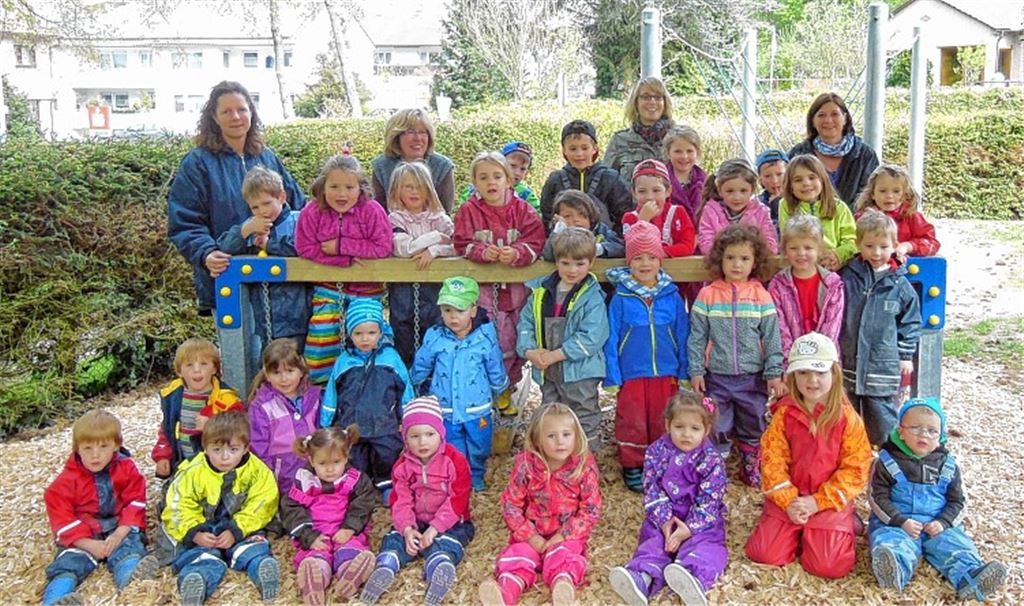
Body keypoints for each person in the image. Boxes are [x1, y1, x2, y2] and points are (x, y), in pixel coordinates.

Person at [167, 80, 305, 315]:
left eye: (242, 109)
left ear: (251, 112)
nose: (236, 117)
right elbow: (184, 221)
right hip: (227, 279)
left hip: (280, 284)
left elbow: (299, 207)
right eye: (226, 111)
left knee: (281, 352)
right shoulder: (198, 163)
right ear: (214, 117)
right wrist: (206, 253)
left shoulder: (267, 158)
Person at [745, 332, 872, 579]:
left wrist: (816, 503)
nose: (812, 380)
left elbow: (855, 469)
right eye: (803, 372)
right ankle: (801, 528)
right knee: (765, 554)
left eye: (820, 372)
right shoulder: (783, 414)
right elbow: (772, 461)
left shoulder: (848, 419)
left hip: (826, 499)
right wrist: (789, 501)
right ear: (792, 375)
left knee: (828, 566)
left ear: (834, 373)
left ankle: (844, 522)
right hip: (789, 497)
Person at [868, 398, 1007, 601]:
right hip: (898, 522)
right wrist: (900, 521)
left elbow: (958, 502)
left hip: (937, 522)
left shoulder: (948, 465)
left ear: (940, 436)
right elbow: (876, 497)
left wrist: (943, 523)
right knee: (893, 542)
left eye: (932, 431)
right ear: (900, 431)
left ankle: (970, 577)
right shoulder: (886, 461)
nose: (924, 434)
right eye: (915, 428)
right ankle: (894, 570)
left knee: (955, 545)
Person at [608, 392, 728, 606]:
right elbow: (652, 488)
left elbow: (710, 499)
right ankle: (642, 578)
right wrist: (664, 522)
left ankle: (693, 577)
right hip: (665, 515)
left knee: (707, 544)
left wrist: (689, 529)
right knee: (653, 541)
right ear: (667, 425)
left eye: (695, 429)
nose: (686, 434)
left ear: (706, 430)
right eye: (679, 427)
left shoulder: (711, 459)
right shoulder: (657, 451)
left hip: (699, 519)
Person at [687, 225, 784, 488]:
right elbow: (696, 337)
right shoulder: (707, 295)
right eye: (730, 258)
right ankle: (716, 468)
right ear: (720, 259)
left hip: (752, 377)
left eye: (744, 258)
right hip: (716, 376)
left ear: (755, 262)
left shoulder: (761, 296)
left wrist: (774, 372)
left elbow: (772, 338)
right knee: (717, 423)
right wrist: (696, 370)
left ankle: (751, 464)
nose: (737, 265)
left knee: (753, 421)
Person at [478, 404, 601, 606]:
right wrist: (530, 536)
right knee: (518, 556)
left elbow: (591, 509)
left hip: (566, 534)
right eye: (552, 436)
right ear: (537, 439)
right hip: (531, 531)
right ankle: (506, 591)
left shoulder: (583, 466)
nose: (560, 441)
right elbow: (511, 505)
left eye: (566, 434)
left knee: (566, 557)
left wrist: (563, 535)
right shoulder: (526, 465)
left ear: (576, 436)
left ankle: (562, 585)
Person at [453, 151, 545, 416]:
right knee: (493, 340)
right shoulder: (469, 210)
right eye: (483, 177)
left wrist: (517, 253)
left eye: (497, 176)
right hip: (485, 293)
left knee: (516, 339)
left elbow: (536, 240)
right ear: (474, 182)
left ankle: (510, 385)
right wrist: (482, 252)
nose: (491, 183)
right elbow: (460, 242)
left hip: (516, 293)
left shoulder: (522, 209)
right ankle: (491, 388)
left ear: (508, 180)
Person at [156, 412, 281, 605]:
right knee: (201, 557)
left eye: (233, 449)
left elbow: (264, 502)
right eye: (216, 449)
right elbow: (177, 505)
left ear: (246, 448)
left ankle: (262, 568)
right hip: (203, 530)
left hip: (240, 528)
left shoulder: (258, 471)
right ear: (205, 448)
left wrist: (237, 529)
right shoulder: (192, 470)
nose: (225, 457)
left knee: (254, 548)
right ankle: (197, 580)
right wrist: (194, 532)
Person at [361, 396, 475, 606]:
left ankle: (439, 565)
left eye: (429, 434)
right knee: (395, 538)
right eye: (414, 436)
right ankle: (387, 564)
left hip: (449, 521)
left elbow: (457, 499)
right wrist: (407, 529)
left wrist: (434, 529)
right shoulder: (402, 465)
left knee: (447, 541)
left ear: (441, 434)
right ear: (405, 438)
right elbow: (400, 500)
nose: (422, 442)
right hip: (416, 519)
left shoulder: (455, 460)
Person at [604, 221, 690, 492]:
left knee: (662, 416)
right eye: (638, 258)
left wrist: (685, 370)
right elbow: (612, 336)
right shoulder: (621, 297)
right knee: (632, 418)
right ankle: (633, 462)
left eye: (651, 257)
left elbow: (683, 333)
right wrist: (613, 374)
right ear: (629, 261)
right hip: (633, 370)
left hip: (666, 369)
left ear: (660, 260)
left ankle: (663, 460)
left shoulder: (671, 295)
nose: (644, 264)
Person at [295, 153, 393, 384]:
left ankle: (372, 384)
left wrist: (342, 246)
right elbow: (304, 247)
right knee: (323, 333)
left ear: (360, 187)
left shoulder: (372, 210)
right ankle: (321, 386)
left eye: (349, 187)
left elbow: (383, 246)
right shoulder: (312, 211)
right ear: (322, 186)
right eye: (334, 186)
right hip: (328, 290)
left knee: (367, 335)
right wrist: (343, 260)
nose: (341, 194)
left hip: (366, 291)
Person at [42, 410, 158, 606]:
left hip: (117, 527)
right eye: (88, 448)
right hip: (83, 534)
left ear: (116, 445)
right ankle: (56, 599)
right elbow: (61, 514)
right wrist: (88, 544)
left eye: (103, 447)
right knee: (69, 564)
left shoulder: (126, 468)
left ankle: (132, 581)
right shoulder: (68, 479)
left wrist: (119, 534)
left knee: (129, 550)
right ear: (77, 448)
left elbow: (135, 501)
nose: (95, 455)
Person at [412, 276, 508, 490]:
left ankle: (475, 473)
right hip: (445, 405)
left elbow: (494, 364)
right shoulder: (435, 336)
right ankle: (457, 474)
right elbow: (423, 361)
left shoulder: (485, 337)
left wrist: (500, 387)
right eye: (447, 310)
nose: (453, 317)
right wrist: (415, 380)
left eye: (460, 310)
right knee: (451, 444)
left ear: (473, 310)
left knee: (479, 443)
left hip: (478, 404)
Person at [518, 228, 610, 450]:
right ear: (556, 261)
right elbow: (526, 324)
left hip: (580, 369)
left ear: (591, 262)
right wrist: (530, 351)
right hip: (548, 368)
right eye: (565, 263)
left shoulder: (592, 296)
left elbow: (592, 336)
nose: (572, 270)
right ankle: (551, 458)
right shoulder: (541, 291)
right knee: (550, 411)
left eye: (579, 264)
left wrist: (555, 355)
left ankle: (585, 460)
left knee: (583, 411)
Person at [839, 211, 921, 445]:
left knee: (881, 413)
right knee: (848, 411)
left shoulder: (899, 284)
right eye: (869, 246)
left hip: (882, 363)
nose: (876, 253)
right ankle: (853, 454)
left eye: (883, 247)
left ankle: (887, 453)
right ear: (858, 245)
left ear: (894, 246)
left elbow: (910, 321)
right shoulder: (848, 276)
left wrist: (905, 355)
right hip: (851, 360)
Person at [319, 298, 414, 497]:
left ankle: (387, 486)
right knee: (355, 459)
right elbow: (332, 394)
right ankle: (360, 489)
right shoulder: (344, 361)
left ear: (380, 332)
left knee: (387, 456)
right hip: (352, 425)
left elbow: (405, 390)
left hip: (385, 423)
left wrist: (408, 420)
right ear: (349, 334)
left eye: (371, 333)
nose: (365, 339)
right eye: (358, 333)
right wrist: (326, 423)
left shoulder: (391, 358)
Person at [215, 165, 310, 359]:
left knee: (298, 362)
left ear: (282, 197)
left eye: (267, 203)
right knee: (270, 361)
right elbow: (224, 247)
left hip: (299, 311)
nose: (262, 211)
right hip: (265, 314)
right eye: (255, 207)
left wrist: (270, 244)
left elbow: (304, 247)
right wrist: (244, 231)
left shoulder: (299, 220)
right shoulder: (251, 226)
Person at [281, 426, 376, 605]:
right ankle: (315, 580)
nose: (330, 469)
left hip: (344, 530)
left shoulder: (354, 479)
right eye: (323, 464)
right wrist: (309, 536)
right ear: (311, 460)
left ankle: (349, 573)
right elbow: (291, 509)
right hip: (317, 532)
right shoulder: (305, 481)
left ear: (346, 457)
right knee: (316, 556)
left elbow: (363, 504)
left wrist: (350, 527)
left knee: (351, 549)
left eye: (336, 462)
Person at [387, 161, 457, 366]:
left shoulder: (439, 218)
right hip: (403, 288)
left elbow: (457, 246)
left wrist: (435, 251)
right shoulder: (395, 219)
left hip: (434, 286)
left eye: (419, 186)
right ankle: (407, 378)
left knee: (435, 327)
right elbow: (405, 249)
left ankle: (432, 381)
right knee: (403, 329)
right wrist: (436, 237)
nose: (414, 191)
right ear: (398, 190)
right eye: (408, 186)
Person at [151, 338, 243, 479]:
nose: (197, 370)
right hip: (183, 462)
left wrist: (213, 426)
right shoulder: (174, 396)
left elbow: (241, 429)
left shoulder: (225, 398)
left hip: (217, 466)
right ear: (179, 371)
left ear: (214, 368)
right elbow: (166, 429)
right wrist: (163, 455)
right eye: (189, 365)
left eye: (204, 364)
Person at [768, 215, 845, 368]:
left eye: (808, 248)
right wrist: (792, 358)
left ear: (819, 249)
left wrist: (817, 356)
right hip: (791, 360)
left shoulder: (833, 284)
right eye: (793, 248)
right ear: (785, 250)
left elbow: (832, 325)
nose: (801, 253)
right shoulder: (778, 285)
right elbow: (780, 327)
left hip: (825, 360)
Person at [247, 338, 321, 496]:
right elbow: (258, 445)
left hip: (314, 469)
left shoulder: (314, 397)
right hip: (282, 475)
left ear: (301, 371)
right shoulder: (262, 405)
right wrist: (267, 478)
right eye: (276, 373)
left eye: (289, 371)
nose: (284, 379)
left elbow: (323, 430)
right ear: (267, 374)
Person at [540, 119, 634, 232]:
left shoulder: (610, 178)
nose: (579, 154)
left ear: (594, 149)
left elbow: (623, 216)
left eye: (584, 148)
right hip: (564, 244)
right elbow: (547, 217)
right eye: (573, 149)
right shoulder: (555, 180)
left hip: (603, 243)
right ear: (564, 150)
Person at [788, 92, 880, 207]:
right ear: (813, 121)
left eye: (834, 114)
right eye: (821, 115)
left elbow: (871, 196)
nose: (828, 120)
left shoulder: (865, 155)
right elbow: (788, 193)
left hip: (856, 222)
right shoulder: (798, 153)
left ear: (845, 119)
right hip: (808, 222)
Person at [778, 154, 857, 270]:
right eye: (798, 180)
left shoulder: (839, 207)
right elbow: (787, 238)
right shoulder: (786, 205)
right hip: (801, 262)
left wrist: (837, 255)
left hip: (835, 265)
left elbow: (852, 241)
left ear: (822, 180)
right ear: (790, 186)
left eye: (812, 177)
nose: (806, 183)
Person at [371, 108, 456, 212]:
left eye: (422, 132)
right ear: (396, 137)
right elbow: (379, 212)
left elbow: (445, 211)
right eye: (410, 132)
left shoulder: (442, 166)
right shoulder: (381, 166)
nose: (418, 138)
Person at [855, 164, 940, 262]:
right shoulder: (863, 217)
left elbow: (932, 244)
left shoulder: (912, 216)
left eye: (896, 191)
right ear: (872, 194)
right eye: (882, 191)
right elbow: (852, 243)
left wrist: (908, 246)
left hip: (906, 270)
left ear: (905, 194)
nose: (889, 196)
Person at [695, 158, 778, 255]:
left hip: (754, 266)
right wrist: (730, 255)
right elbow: (705, 244)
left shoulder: (761, 212)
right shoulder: (710, 211)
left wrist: (746, 254)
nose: (737, 197)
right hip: (720, 266)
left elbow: (771, 246)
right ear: (720, 190)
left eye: (743, 191)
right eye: (730, 191)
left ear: (752, 189)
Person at [604, 77, 676, 185]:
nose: (652, 102)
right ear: (635, 102)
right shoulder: (619, 141)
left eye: (657, 97)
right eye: (646, 97)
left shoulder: (678, 138)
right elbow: (606, 184)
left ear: (665, 102)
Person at [621, 159, 696, 257]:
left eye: (656, 190)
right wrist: (642, 222)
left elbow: (687, 246)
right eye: (642, 191)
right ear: (634, 193)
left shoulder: (678, 213)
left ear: (668, 191)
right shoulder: (629, 218)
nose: (649, 197)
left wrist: (657, 253)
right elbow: (631, 248)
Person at [455, 141, 541, 213]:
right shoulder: (474, 190)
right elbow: (460, 211)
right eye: (512, 166)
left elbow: (537, 216)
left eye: (522, 169)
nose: (517, 172)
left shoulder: (526, 194)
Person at [543, 190, 625, 260]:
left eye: (582, 215)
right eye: (567, 216)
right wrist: (559, 229)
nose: (576, 220)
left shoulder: (600, 229)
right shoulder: (558, 233)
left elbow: (620, 247)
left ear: (591, 216)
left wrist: (598, 249)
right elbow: (548, 255)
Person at [663, 125, 707, 223]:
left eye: (689, 151)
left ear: (697, 152)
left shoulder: (705, 182)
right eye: (678, 151)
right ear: (668, 153)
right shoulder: (659, 179)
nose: (684, 156)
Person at [755, 149, 788, 228]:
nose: (774, 181)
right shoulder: (757, 205)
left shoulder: (798, 198)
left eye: (779, 174)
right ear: (760, 180)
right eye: (767, 176)